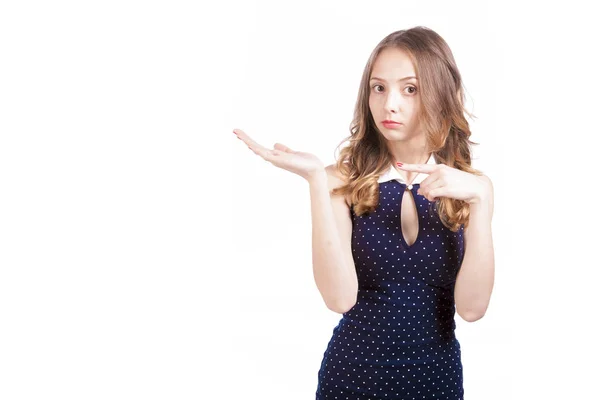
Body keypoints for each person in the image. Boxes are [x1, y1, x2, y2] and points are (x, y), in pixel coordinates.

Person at [233, 25, 494, 400]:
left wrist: (482, 201)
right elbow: (339, 299)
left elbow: (472, 309)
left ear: (439, 93)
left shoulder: (471, 189)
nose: (389, 104)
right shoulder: (340, 180)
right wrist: (315, 182)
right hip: (354, 380)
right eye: (379, 87)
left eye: (410, 89)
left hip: (437, 382)